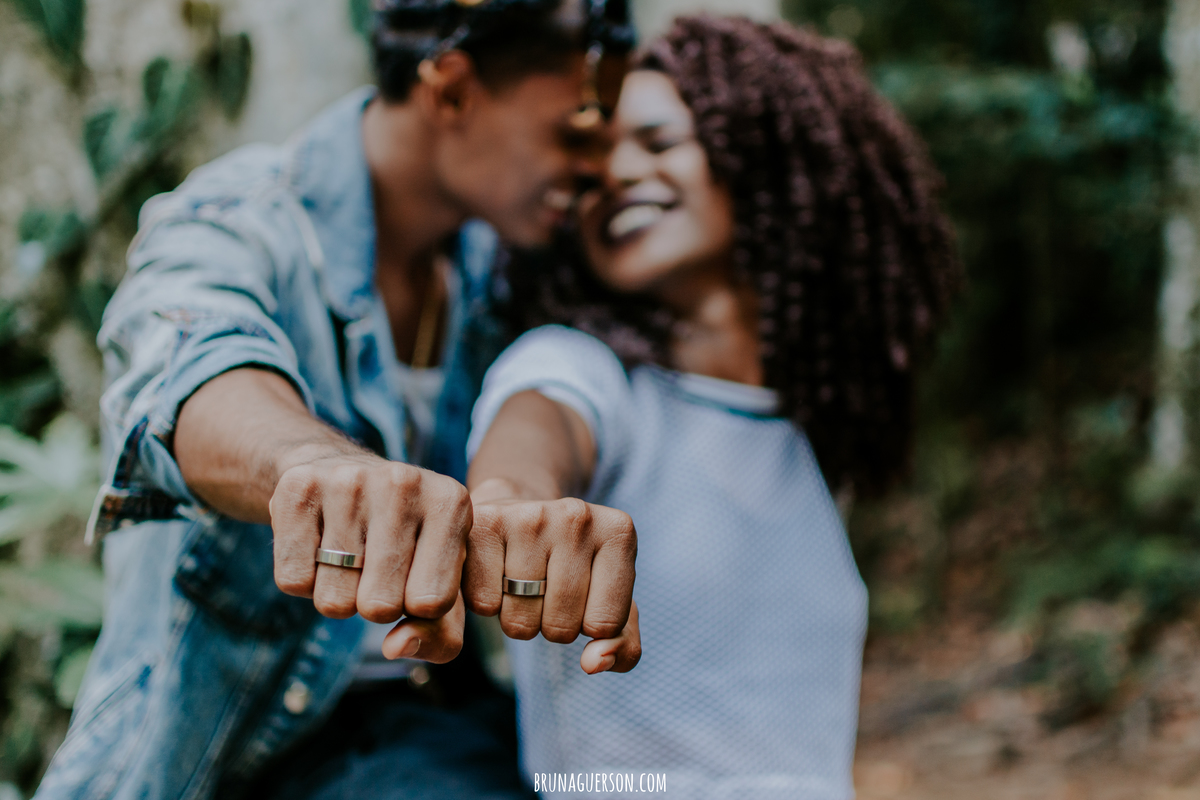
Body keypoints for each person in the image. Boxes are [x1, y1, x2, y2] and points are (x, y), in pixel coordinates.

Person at [33, 2, 640, 799]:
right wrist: (313, 468)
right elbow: (189, 362)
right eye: (573, 131)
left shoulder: (501, 266)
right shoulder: (240, 219)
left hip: (443, 724)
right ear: (451, 90)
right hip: (223, 752)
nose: (598, 167)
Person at [466, 15, 962, 799]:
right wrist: (510, 507)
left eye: (660, 143)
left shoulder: (807, 433)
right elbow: (532, 439)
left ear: (761, 160)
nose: (618, 174)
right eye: (589, 172)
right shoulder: (583, 370)